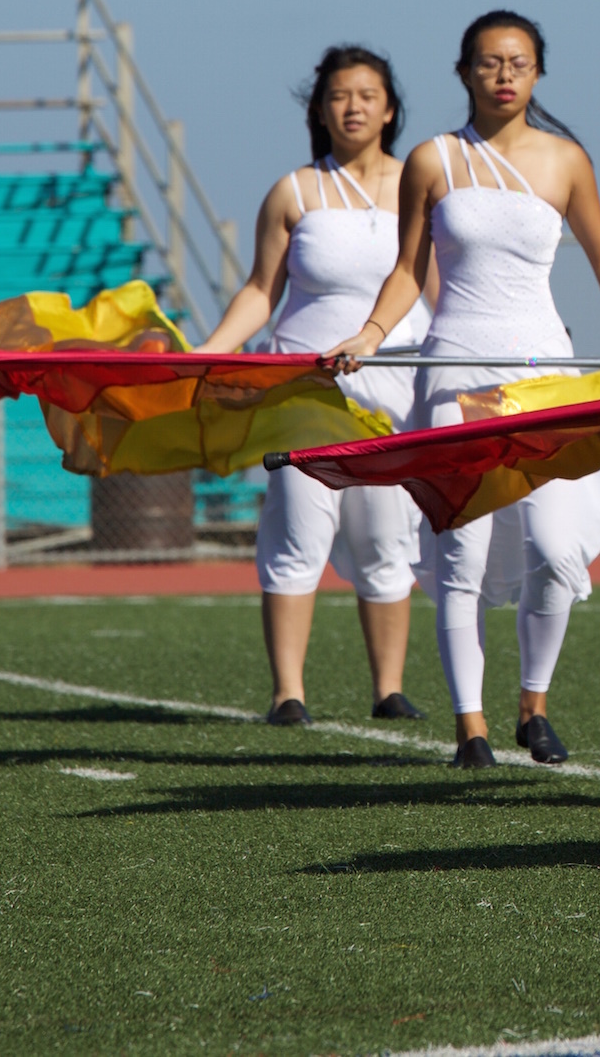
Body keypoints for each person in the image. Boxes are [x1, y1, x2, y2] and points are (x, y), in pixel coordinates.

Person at [329, 11, 600, 769]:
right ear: (464, 72)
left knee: (553, 544)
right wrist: (370, 336)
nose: (504, 75)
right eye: (488, 63)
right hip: (456, 371)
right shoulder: (433, 158)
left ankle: (532, 705)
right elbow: (409, 269)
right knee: (462, 551)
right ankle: (469, 725)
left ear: (537, 72)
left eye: (518, 62)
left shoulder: (565, 160)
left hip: (544, 369)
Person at [199, 44, 436, 727]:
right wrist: (211, 350)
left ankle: (389, 688)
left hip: (397, 392)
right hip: (304, 394)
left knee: (389, 538)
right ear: (320, 109)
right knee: (298, 533)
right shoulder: (294, 191)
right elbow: (259, 290)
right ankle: (288, 692)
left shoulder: (424, 183)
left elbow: (444, 292)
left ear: (390, 108)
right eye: (340, 94)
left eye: (368, 94)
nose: (354, 105)